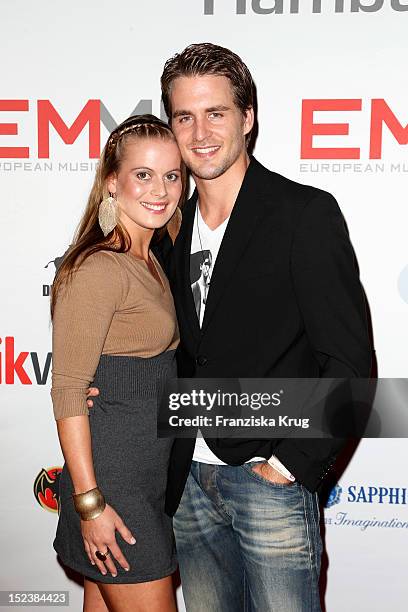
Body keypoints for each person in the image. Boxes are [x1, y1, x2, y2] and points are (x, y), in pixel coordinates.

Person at [158, 43, 372, 611]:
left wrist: (290, 465)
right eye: (184, 116)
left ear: (248, 118)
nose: (200, 132)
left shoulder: (303, 214)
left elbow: (350, 365)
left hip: (267, 481)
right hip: (186, 487)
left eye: (216, 112)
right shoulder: (165, 229)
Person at [50, 114, 186, 612]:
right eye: (143, 174)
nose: (161, 189)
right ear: (113, 182)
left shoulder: (151, 261)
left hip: (143, 478)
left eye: (172, 175)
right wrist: (91, 504)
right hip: (114, 489)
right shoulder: (101, 268)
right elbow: (68, 391)